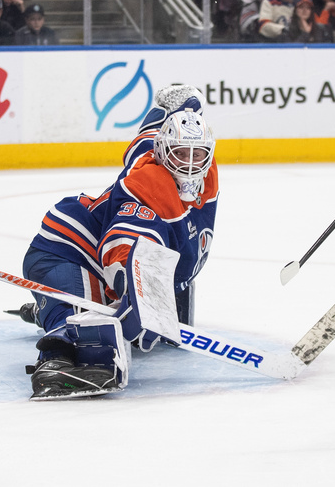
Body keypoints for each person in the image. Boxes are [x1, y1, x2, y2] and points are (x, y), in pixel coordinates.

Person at [14, 87, 216, 399]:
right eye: (180, 154)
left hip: (89, 248)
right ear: (163, 153)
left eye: (197, 153)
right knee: (83, 325)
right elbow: (123, 244)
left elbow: (145, 139)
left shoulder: (177, 158)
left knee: (129, 324)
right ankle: (56, 359)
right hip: (66, 249)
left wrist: (183, 106)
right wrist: (133, 291)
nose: (189, 163)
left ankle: (44, 308)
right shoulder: (146, 186)